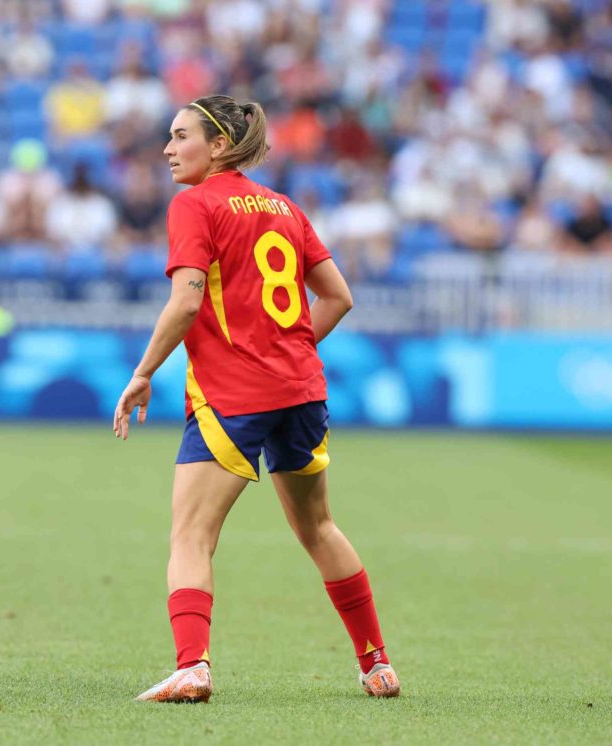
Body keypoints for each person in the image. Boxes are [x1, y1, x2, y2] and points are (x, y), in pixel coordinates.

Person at [113, 95, 399, 703]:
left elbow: (187, 301)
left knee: (191, 536)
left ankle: (192, 666)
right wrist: (283, 347)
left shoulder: (194, 204)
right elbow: (338, 297)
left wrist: (143, 372)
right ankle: (376, 663)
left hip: (234, 397)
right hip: (300, 390)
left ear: (218, 146)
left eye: (180, 135)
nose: (167, 148)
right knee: (319, 526)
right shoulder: (283, 206)